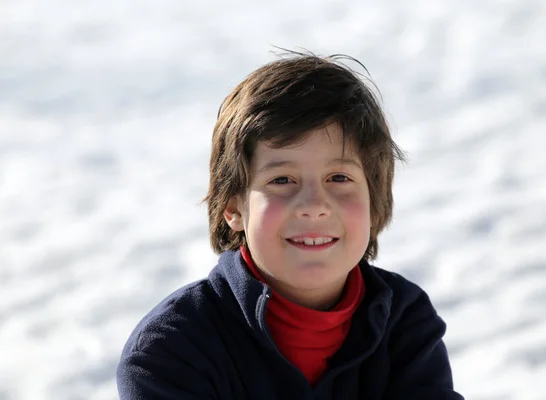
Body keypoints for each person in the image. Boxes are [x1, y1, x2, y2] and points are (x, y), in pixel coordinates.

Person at [116, 50, 464, 400]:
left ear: (374, 202)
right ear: (233, 206)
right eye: (282, 180)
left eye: (339, 177)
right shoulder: (170, 351)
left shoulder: (405, 321)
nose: (314, 206)